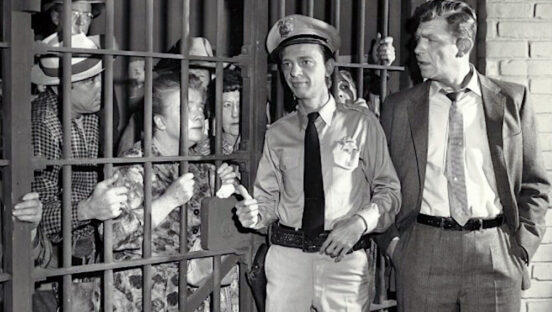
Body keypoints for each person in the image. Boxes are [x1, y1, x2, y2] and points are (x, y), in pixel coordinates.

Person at [376, 1, 551, 311]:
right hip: (422, 249)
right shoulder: (398, 107)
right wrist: (394, 246)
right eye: (418, 39)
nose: (418, 49)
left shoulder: (512, 100)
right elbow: (378, 181)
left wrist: (521, 249)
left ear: (463, 45)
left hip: (495, 249)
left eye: (430, 39)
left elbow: (535, 185)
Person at [227, 14, 401, 311]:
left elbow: (390, 192)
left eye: (306, 62)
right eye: (287, 64)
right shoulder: (278, 133)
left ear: (329, 68)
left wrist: (360, 222)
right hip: (287, 260)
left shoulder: (361, 125)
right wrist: (253, 216)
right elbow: (267, 204)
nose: (294, 72)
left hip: (343, 261)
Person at [99, 72, 238, 312]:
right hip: (142, 295)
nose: (198, 114)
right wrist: (168, 200)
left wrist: (225, 193)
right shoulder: (134, 165)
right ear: (160, 121)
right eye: (186, 107)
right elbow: (112, 234)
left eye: (200, 106)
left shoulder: (201, 164)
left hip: (191, 296)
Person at [118, 37, 216, 155]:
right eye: (191, 67)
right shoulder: (142, 117)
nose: (198, 73)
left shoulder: (221, 112)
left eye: (205, 68)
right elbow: (124, 161)